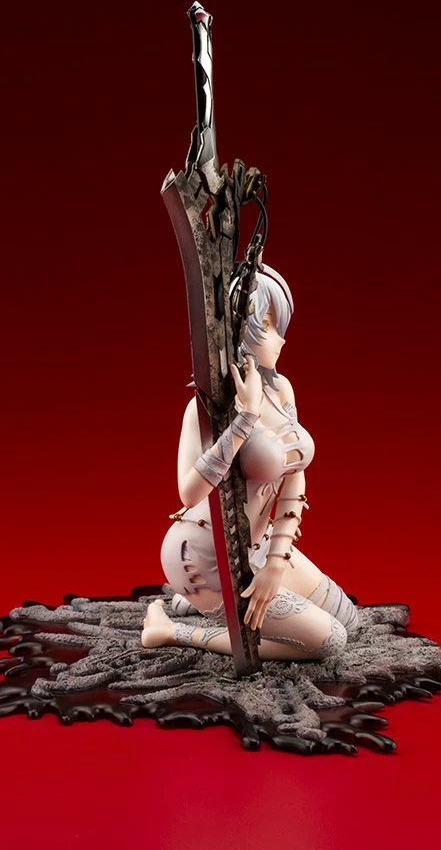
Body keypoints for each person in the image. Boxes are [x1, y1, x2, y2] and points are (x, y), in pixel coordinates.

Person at [141, 265, 358, 661]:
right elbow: (189, 493)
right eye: (269, 326)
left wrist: (275, 563)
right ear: (241, 328)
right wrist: (245, 419)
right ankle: (172, 629)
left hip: (257, 545)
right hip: (204, 556)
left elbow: (294, 473)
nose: (282, 338)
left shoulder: (282, 387)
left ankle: (204, 605)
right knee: (330, 641)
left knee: (349, 617)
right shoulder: (204, 408)